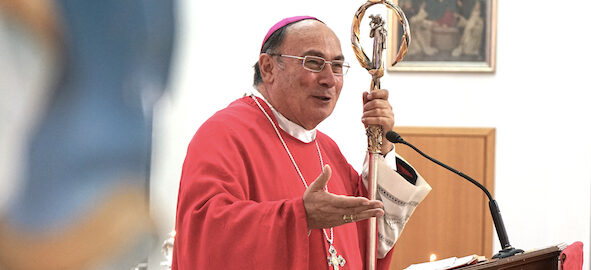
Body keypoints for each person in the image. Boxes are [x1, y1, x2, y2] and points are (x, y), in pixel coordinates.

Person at [172, 16, 431, 270]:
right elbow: (206, 234)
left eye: (337, 66)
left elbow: (372, 236)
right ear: (268, 68)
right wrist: (299, 216)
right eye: (314, 63)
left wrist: (382, 147)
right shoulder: (223, 134)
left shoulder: (327, 149)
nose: (329, 79)